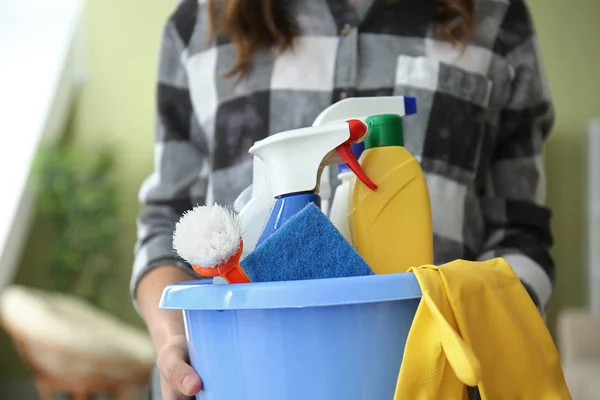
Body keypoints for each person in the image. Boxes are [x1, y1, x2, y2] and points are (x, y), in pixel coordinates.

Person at [131, 0, 555, 398]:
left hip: (434, 384)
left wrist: (479, 335)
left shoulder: (496, 16)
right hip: (237, 376)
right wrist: (174, 340)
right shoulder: (198, 24)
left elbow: (521, 232)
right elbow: (166, 221)